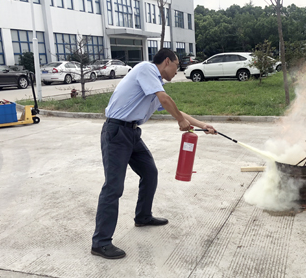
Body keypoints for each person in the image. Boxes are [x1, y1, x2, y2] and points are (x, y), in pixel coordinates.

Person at [91, 49, 216, 259]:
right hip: (116, 133)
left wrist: (202, 125)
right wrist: (179, 121)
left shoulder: (155, 85)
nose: (178, 70)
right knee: (113, 187)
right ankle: (100, 242)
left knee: (150, 173)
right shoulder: (146, 69)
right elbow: (165, 100)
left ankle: (143, 216)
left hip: (131, 133)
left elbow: (172, 107)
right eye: (177, 65)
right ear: (167, 61)